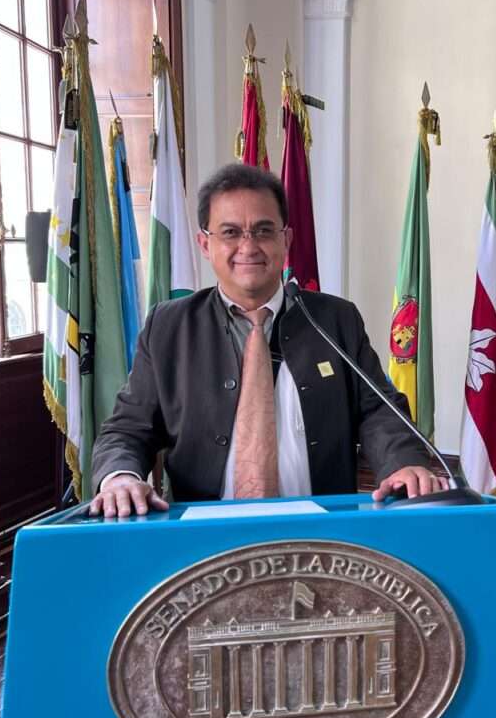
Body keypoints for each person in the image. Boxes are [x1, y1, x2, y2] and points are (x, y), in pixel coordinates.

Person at [90, 163, 446, 517]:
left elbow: (379, 411)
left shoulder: (336, 320)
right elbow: (128, 428)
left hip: (321, 533)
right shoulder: (169, 327)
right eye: (230, 232)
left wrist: (403, 463)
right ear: (204, 244)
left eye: (263, 231)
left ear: (285, 240)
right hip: (203, 535)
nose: (248, 246)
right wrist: (120, 477)